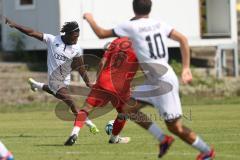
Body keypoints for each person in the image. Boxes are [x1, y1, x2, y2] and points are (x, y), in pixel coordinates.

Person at [82, 0, 215, 159]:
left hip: (163, 82)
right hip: (156, 80)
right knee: (127, 109)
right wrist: (186, 68)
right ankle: (163, 139)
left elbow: (101, 33)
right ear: (150, 8)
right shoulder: (159, 24)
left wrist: (89, 18)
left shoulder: (130, 26)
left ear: (133, 8)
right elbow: (183, 39)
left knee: (175, 127)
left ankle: (207, 152)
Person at [5, 18, 99, 135]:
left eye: (78, 37)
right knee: (72, 103)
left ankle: (36, 85)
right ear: (68, 34)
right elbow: (32, 32)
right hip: (55, 81)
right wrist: (16, 25)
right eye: (75, 36)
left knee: (60, 95)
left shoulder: (76, 49)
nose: (76, 39)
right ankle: (81, 129)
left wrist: (87, 82)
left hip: (65, 82)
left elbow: (81, 67)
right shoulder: (52, 40)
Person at [65, 37, 141, 145]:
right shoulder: (139, 44)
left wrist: (97, 80)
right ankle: (114, 138)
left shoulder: (116, 41)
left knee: (86, 109)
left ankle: (75, 133)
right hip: (121, 86)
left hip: (104, 80)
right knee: (123, 113)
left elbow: (102, 62)